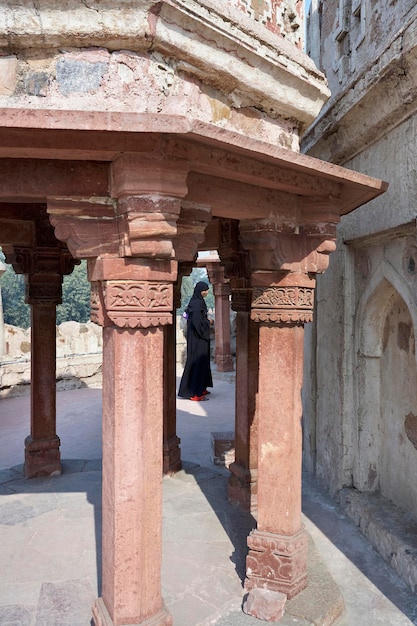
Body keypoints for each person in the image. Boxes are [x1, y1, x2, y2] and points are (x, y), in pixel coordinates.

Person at [178, 281, 213, 401]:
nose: (207, 292)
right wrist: (208, 323)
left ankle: (201, 387)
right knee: (197, 363)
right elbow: (198, 324)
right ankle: (194, 393)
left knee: (202, 362)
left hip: (199, 338)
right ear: (200, 291)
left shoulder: (197, 302)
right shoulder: (197, 304)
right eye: (205, 290)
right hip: (198, 339)